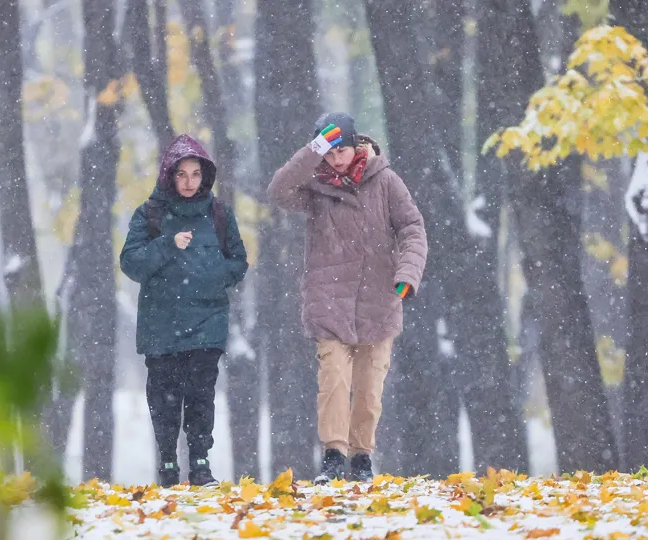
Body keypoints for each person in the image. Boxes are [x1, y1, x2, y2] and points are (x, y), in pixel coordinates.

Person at [267, 112, 427, 484]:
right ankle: (334, 455)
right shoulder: (314, 189)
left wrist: (408, 274)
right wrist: (314, 147)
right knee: (334, 379)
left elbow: (412, 227)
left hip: (380, 300)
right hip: (329, 301)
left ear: (357, 145)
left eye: (340, 150)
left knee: (370, 389)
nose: (335, 159)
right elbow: (277, 191)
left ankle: (362, 458)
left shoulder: (386, 181)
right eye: (328, 152)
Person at [120, 135, 248, 487]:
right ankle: (167, 464)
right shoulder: (150, 215)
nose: (190, 182)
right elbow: (130, 263)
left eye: (195, 174)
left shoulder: (220, 214)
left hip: (208, 321)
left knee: (201, 396)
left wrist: (211, 275)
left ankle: (201, 464)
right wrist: (165, 245)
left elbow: (238, 262)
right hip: (161, 323)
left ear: (205, 176)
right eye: (182, 174)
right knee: (164, 400)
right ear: (169, 176)